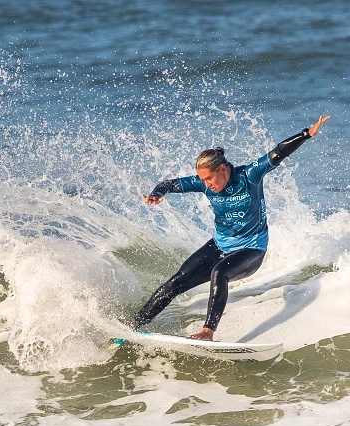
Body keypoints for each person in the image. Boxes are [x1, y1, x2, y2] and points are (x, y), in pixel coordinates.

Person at [128, 115, 330, 340]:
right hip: (220, 246)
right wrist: (157, 194)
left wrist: (306, 134)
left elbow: (277, 153)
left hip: (252, 249)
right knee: (176, 282)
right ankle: (135, 324)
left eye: (209, 178)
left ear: (223, 168)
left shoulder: (249, 176)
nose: (207, 184)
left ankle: (208, 331)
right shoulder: (204, 184)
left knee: (220, 271)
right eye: (202, 180)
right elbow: (168, 184)